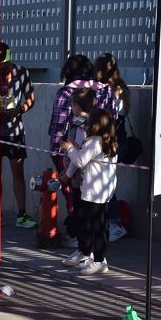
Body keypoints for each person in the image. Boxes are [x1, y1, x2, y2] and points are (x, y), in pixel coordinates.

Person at [47, 54, 118, 245]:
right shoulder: (107, 91)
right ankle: (97, 242)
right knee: (100, 201)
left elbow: (58, 126)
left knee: (75, 197)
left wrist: (57, 153)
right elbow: (114, 120)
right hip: (103, 152)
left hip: (74, 153)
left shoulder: (67, 93)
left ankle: (80, 239)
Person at [59, 108, 119, 276]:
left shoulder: (93, 141)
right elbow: (87, 158)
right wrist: (78, 149)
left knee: (95, 226)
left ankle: (99, 261)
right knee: (96, 224)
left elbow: (79, 160)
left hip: (93, 191)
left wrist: (70, 148)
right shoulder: (109, 141)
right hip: (104, 190)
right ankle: (89, 254)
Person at [0, 43, 37, 228]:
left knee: (18, 173)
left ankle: (22, 215)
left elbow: (31, 96)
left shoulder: (21, 72)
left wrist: (21, 109)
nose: (1, 68)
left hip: (15, 131)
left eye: (4, 65)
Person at [95, 53, 130, 242]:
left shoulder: (111, 91)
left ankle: (115, 223)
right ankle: (112, 222)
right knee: (105, 181)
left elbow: (115, 115)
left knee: (105, 182)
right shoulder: (120, 88)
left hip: (112, 142)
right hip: (116, 141)